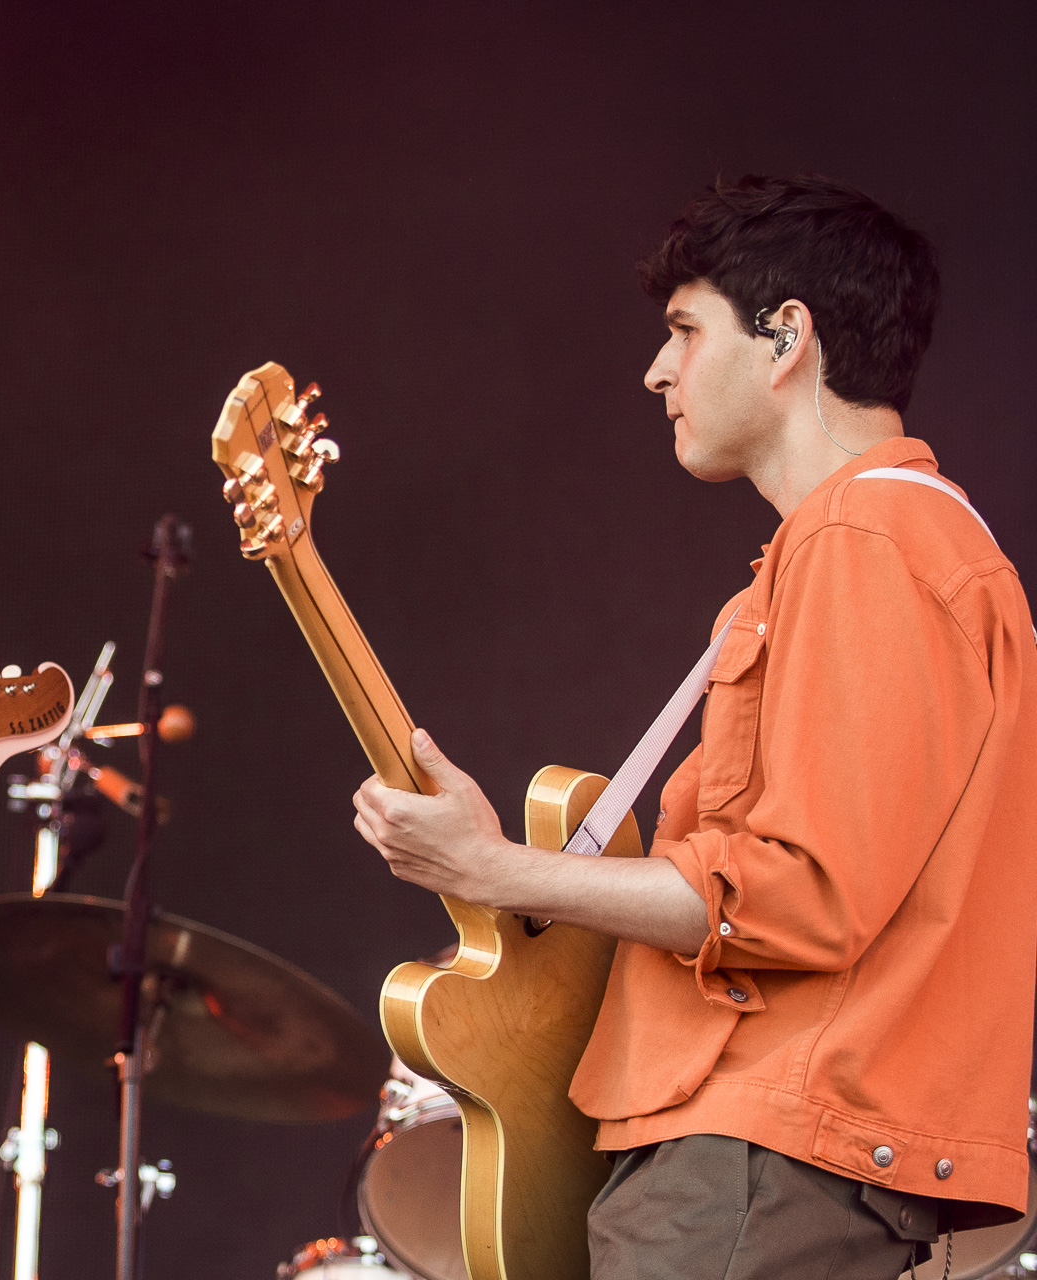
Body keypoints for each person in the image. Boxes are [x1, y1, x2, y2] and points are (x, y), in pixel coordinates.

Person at [350, 174, 1037, 1277]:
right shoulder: (878, 547)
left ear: (786, 337)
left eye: (684, 329)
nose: (656, 370)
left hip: (757, 1155)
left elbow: (800, 892)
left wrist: (498, 869)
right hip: (778, 1153)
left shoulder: (862, 535)